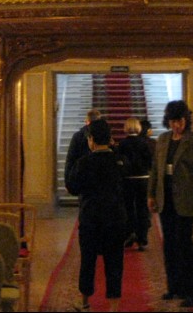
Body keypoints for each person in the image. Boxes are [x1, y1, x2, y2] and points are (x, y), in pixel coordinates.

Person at [148, 100, 193, 309]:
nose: (177, 125)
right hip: (165, 199)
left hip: (185, 201)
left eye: (180, 121)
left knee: (185, 245)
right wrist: (151, 195)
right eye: (174, 121)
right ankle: (174, 286)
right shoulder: (163, 140)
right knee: (170, 245)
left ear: (186, 120)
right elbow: (156, 170)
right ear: (168, 121)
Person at [66, 119, 128, 312]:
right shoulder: (120, 161)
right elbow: (128, 189)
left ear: (91, 140)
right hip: (115, 219)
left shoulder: (84, 162)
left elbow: (72, 187)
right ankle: (114, 307)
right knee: (114, 263)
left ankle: (85, 302)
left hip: (90, 219)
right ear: (109, 139)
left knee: (88, 261)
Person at [118, 117, 153, 250]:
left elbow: (120, 162)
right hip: (143, 179)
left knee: (128, 208)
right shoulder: (144, 143)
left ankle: (129, 234)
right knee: (142, 209)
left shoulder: (122, 144)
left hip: (127, 180)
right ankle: (142, 238)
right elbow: (150, 162)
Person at [65, 109, 102, 190]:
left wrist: (68, 180)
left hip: (83, 173)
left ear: (87, 121)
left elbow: (70, 158)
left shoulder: (78, 136)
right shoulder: (103, 135)